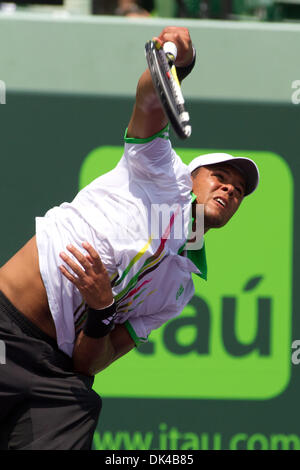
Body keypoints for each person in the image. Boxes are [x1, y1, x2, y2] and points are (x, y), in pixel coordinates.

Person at [0, 26, 259, 450]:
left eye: (240, 191)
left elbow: (91, 363)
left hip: (57, 377)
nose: (230, 189)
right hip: (5, 327)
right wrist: (180, 63)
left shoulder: (179, 289)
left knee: (80, 400)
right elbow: (150, 98)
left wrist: (103, 310)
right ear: (189, 178)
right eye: (220, 177)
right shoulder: (158, 172)